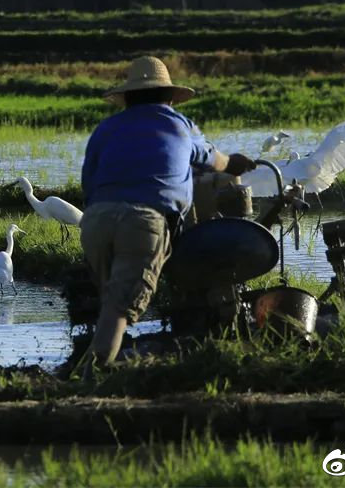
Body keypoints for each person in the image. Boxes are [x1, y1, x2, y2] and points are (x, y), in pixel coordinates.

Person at [78, 56, 256, 370]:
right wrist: (235, 163)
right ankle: (89, 377)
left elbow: (89, 182)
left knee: (110, 300)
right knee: (119, 309)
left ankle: (95, 364)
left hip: (96, 220)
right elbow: (213, 160)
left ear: (127, 98)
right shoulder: (179, 124)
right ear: (170, 97)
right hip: (144, 222)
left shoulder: (106, 129)